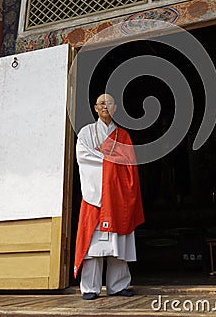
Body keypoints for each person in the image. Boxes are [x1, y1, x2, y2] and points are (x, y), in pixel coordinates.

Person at [74, 93, 144, 300]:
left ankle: (118, 285)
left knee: (118, 244)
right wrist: (110, 163)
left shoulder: (123, 136)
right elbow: (84, 158)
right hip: (96, 196)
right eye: (102, 103)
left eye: (110, 103)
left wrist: (109, 164)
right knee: (94, 246)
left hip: (118, 196)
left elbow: (129, 164)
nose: (106, 106)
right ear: (95, 108)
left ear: (115, 109)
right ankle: (90, 287)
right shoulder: (87, 133)